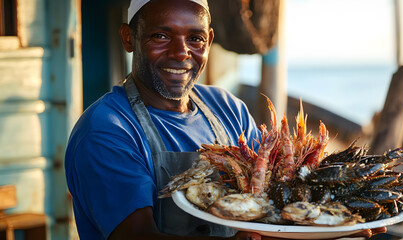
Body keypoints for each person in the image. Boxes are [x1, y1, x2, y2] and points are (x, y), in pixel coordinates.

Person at [65, 0, 385, 239]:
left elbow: (276, 195)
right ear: (127, 38)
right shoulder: (107, 130)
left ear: (209, 40)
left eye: (195, 39)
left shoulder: (226, 107)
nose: (181, 52)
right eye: (161, 36)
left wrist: (331, 226)